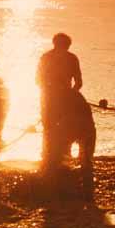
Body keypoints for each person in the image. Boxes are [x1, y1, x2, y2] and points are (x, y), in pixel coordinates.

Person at [36, 33, 83, 169]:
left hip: (51, 97)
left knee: (49, 127)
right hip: (59, 98)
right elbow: (78, 82)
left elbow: (37, 80)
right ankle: (58, 156)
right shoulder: (71, 58)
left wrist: (49, 90)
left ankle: (49, 155)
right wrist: (72, 94)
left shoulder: (46, 57)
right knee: (60, 127)